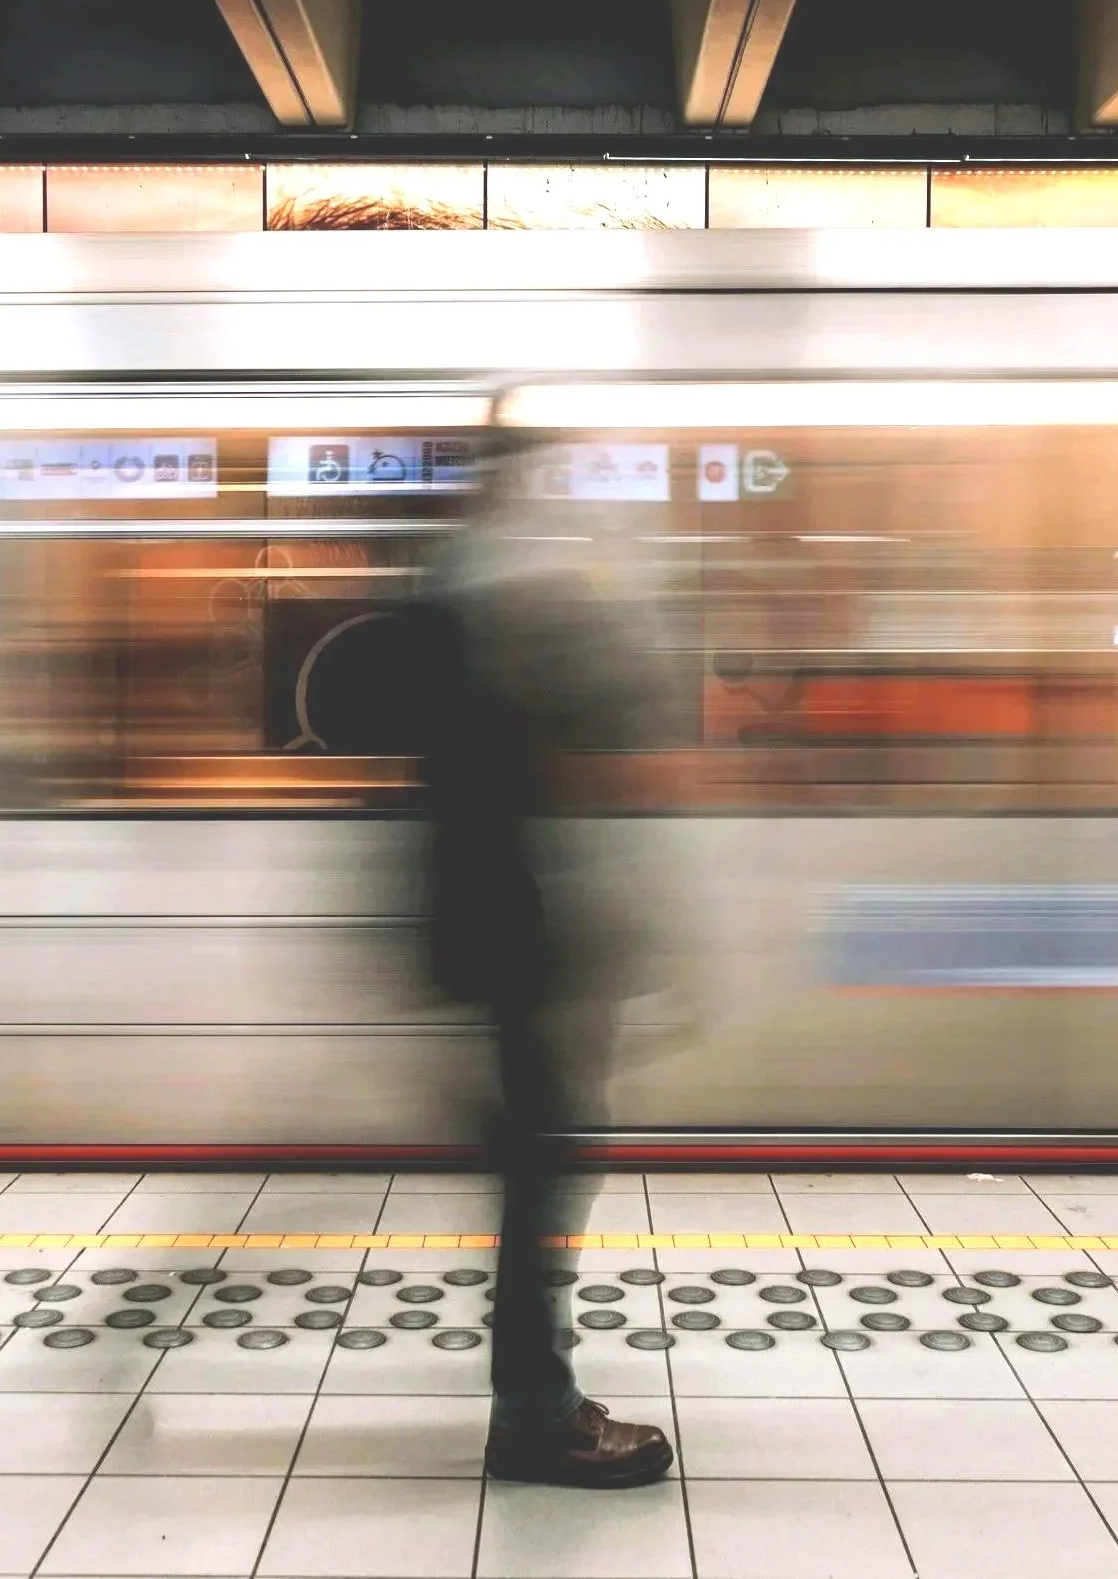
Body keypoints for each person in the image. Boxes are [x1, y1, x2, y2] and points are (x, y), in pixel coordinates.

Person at [410, 431, 676, 1489]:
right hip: (511, 938)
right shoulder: (491, 597)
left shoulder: (464, 588)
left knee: (536, 1164)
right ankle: (532, 1414)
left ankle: (538, 1396)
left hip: (496, 932)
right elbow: (544, 775)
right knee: (540, 1169)